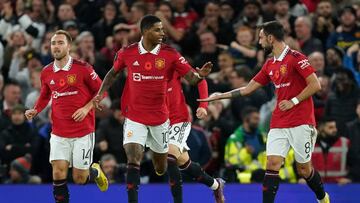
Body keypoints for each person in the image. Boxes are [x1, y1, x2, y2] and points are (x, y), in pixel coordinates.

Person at [198, 21, 330, 203]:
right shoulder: (269, 64)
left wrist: (293, 101)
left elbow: (316, 84)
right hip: (279, 121)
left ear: (270, 38)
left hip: (302, 121)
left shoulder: (296, 57)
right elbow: (247, 89)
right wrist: (220, 96)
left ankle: (323, 198)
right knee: (272, 164)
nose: (259, 42)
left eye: (260, 37)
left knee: (304, 170)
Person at [93, 15, 212, 203]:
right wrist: (100, 94)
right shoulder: (127, 53)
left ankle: (212, 183)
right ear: (145, 31)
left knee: (162, 167)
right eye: (158, 29)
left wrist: (200, 77)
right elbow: (112, 73)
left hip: (162, 119)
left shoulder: (170, 55)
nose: (162, 33)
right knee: (133, 156)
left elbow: (192, 79)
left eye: (163, 29)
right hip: (135, 116)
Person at [24, 30, 108, 203]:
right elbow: (45, 94)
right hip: (59, 132)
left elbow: (102, 91)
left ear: (69, 46)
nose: (56, 46)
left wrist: (86, 108)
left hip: (83, 131)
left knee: (79, 179)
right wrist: (36, 109)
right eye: (53, 43)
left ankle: (94, 171)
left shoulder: (83, 68)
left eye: (60, 43)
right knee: (58, 172)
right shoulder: (46, 71)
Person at [166, 66, 225, 202]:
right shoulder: (140, 65)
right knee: (184, 163)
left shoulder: (171, 59)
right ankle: (216, 185)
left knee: (170, 156)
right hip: (158, 122)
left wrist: (203, 106)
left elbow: (200, 80)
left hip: (178, 119)